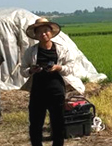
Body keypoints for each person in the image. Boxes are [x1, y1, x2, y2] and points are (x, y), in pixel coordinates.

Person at [20, 18, 82, 146]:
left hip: (56, 90)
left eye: (46, 31)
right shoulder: (31, 51)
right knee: (36, 123)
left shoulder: (61, 49)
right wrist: (31, 70)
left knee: (57, 122)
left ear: (51, 33)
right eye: (40, 32)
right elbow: (23, 70)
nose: (43, 34)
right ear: (36, 35)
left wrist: (59, 68)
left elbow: (71, 67)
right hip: (37, 91)